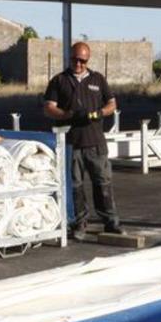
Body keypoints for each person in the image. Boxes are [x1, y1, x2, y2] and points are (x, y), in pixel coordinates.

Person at [43, 42, 122, 237]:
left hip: (95, 142)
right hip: (71, 144)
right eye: (75, 60)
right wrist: (67, 114)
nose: (78, 64)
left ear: (88, 60)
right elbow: (48, 107)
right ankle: (79, 223)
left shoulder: (98, 79)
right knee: (75, 185)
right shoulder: (59, 81)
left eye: (83, 61)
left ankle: (110, 221)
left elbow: (112, 103)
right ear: (70, 58)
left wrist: (99, 113)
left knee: (103, 183)